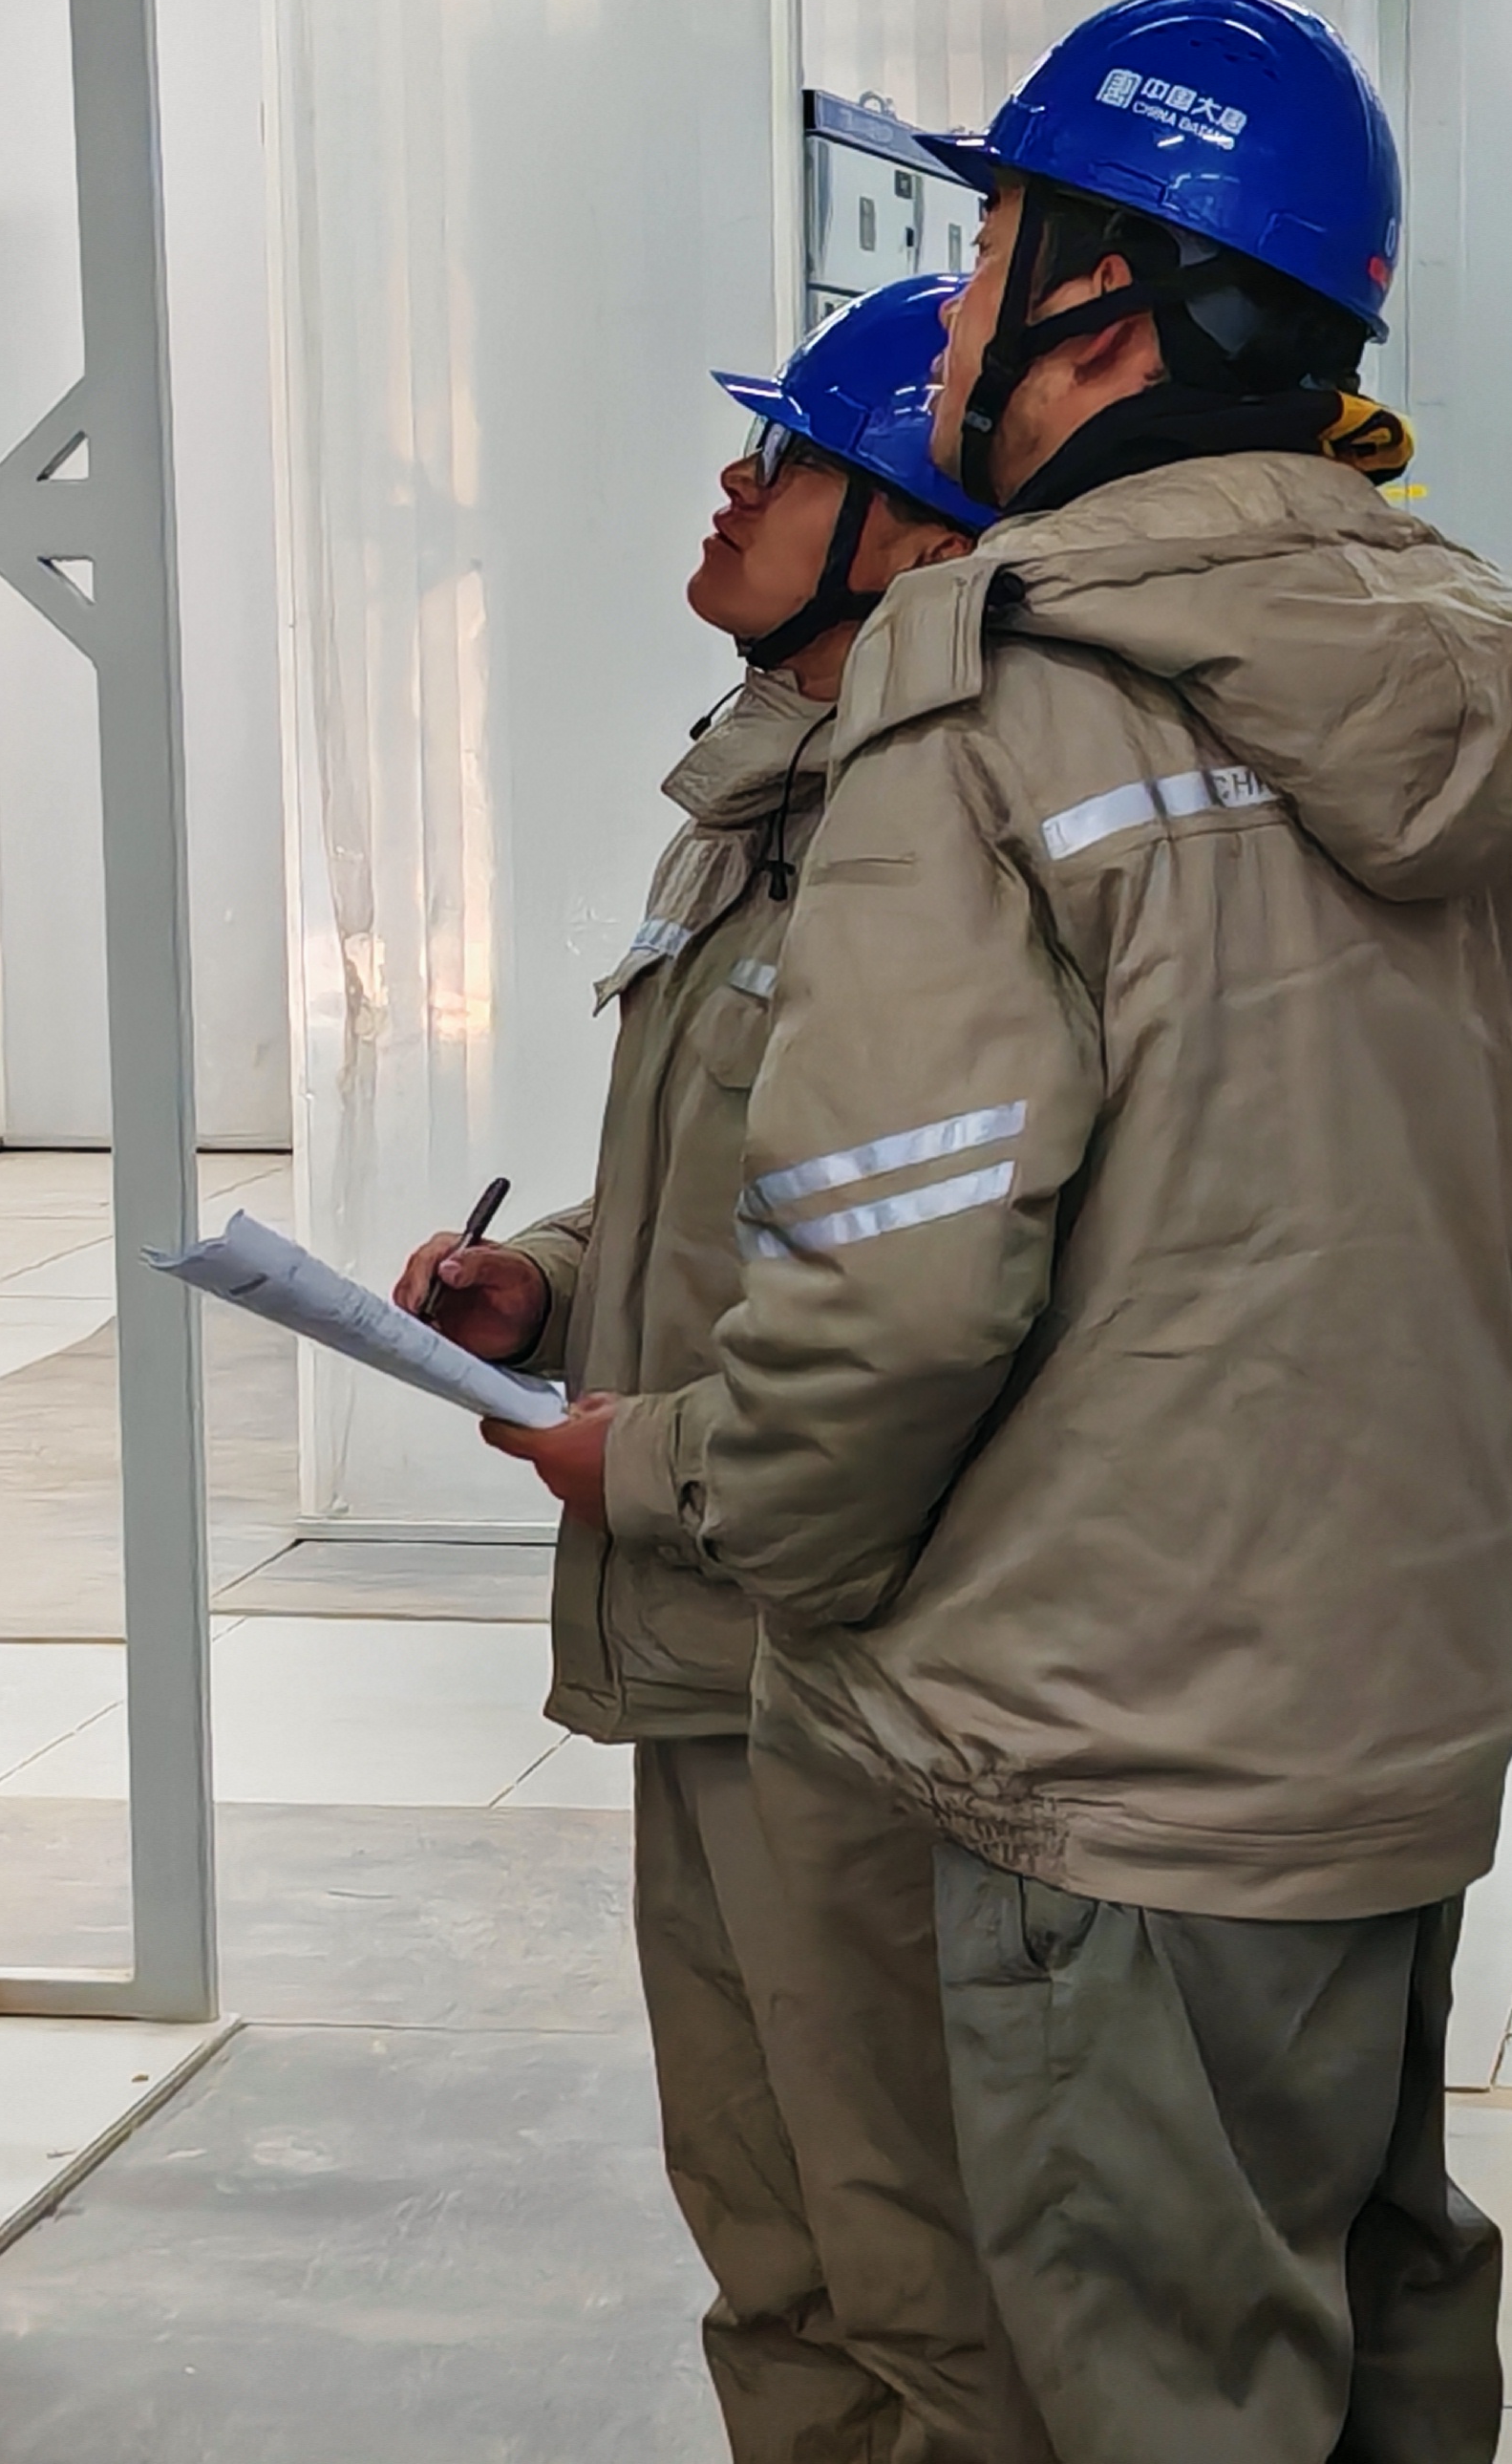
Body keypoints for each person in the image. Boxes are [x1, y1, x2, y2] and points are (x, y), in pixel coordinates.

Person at [563, 0, 1512, 2464]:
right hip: (1371, 1743)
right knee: (1358, 2364)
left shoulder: (995, 708)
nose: (956, 298)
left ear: (1102, 302)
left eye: (988, 234)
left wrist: (721, 1523)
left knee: (1082, 2391)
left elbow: (897, 1299)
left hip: (1085, 1772)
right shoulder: (1461, 694)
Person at [395, 278, 1051, 2464]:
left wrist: (656, 1457)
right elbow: (730, 1192)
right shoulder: (747, 807)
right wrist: (545, 1285)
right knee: (763, 2237)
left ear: (913, 538)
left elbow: (949, 1298)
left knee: (911, 2260)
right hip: (700, 1642)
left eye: (780, 460)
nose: (726, 487)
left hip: (846, 1659)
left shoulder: (936, 836)